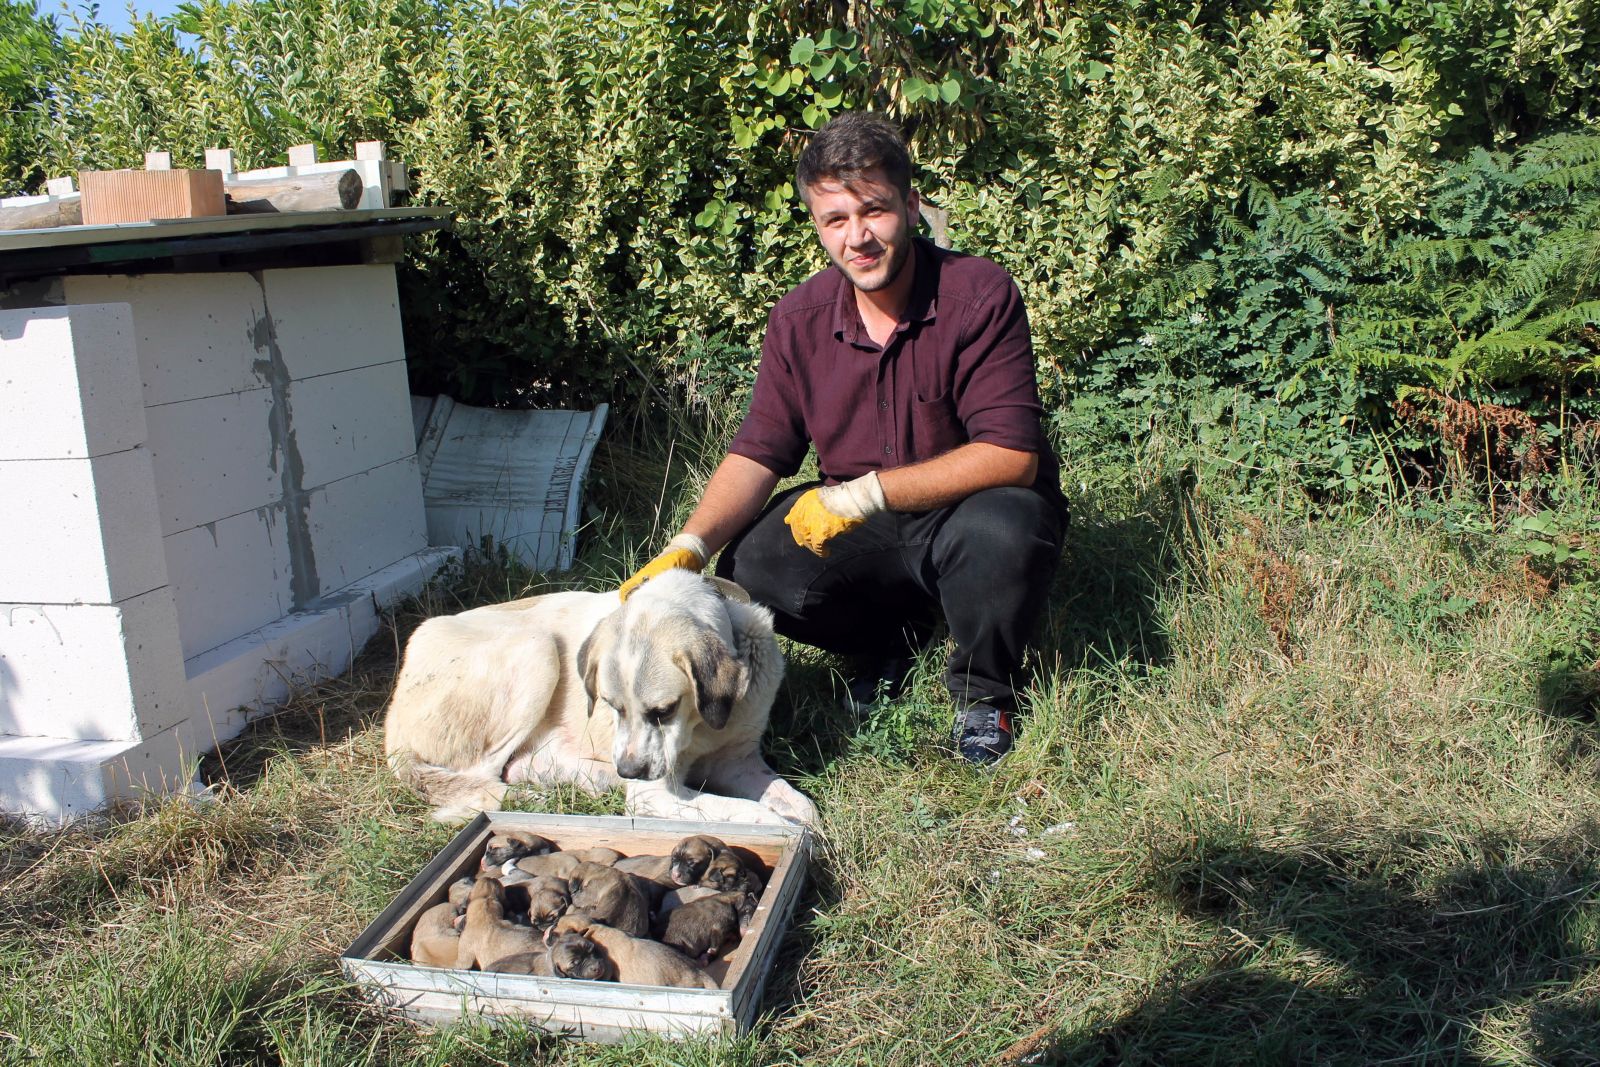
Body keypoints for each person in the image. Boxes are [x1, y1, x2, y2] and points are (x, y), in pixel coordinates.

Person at [620, 112, 1066, 765]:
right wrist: (690, 545)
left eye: (874, 211)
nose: (857, 237)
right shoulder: (798, 318)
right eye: (835, 219)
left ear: (911, 206)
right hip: (871, 534)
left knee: (1006, 527)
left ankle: (985, 693)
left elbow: (1012, 454)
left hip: (968, 512)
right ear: (817, 225)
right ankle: (886, 643)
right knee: (752, 564)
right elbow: (759, 449)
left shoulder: (978, 293)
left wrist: (863, 493)